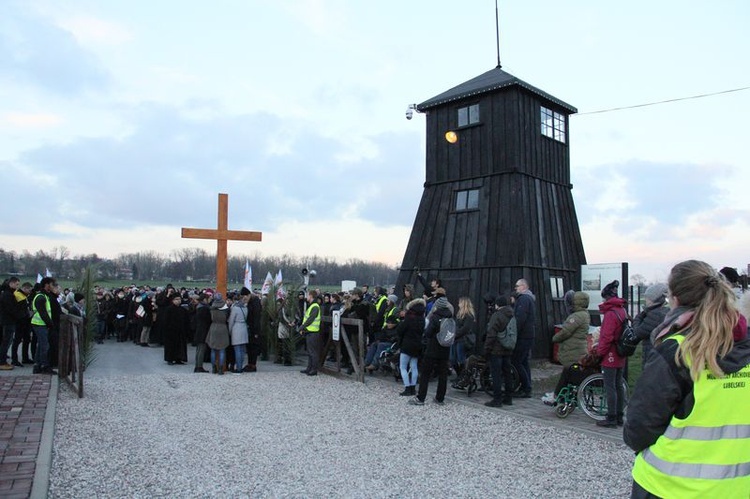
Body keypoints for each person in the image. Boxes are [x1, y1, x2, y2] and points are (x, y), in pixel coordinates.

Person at [624, 260, 750, 498]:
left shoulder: (678, 351)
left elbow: (639, 426)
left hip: (669, 485)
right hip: (737, 488)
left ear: (675, 299)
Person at [541, 291, 591, 405]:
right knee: (568, 373)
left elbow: (566, 331)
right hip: (578, 349)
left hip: (574, 350)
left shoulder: (576, 316)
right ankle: (562, 396)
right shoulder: (584, 314)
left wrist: (555, 338)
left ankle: (558, 396)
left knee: (568, 372)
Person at [410, 291, 453, 406]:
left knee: (425, 373)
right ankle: (440, 398)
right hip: (445, 349)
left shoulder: (435, 317)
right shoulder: (450, 317)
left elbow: (428, 333)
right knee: (443, 375)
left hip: (433, 348)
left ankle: (421, 398)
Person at [595, 279, 627, 428]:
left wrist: (599, 353)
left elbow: (606, 336)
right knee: (618, 384)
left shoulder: (610, 314)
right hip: (621, 352)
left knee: (610, 386)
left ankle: (611, 417)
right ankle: (620, 416)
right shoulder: (621, 310)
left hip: (611, 353)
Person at [483, 295, 515, 407]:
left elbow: (491, 334)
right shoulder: (511, 314)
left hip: (496, 350)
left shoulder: (496, 316)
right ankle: (508, 398)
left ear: (497, 304)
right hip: (508, 348)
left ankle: (497, 399)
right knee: (507, 374)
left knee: (496, 375)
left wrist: (486, 349)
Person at [632, 283, 668, 367]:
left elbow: (639, 332)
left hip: (652, 354)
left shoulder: (655, 314)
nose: (646, 301)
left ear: (654, 299)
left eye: (647, 299)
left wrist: (639, 316)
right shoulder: (664, 311)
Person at [512, 278, 536, 398]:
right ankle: (526, 386)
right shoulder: (529, 299)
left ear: (523, 287)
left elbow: (520, 318)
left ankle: (526, 387)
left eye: (517, 286)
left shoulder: (524, 299)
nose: (515, 288)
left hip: (523, 336)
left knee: (516, 361)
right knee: (524, 361)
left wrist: (513, 333)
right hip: (528, 335)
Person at [396, 297, 424, 396]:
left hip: (407, 343)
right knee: (414, 366)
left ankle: (407, 388)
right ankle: (413, 388)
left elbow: (400, 330)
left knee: (403, 367)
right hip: (417, 344)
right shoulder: (422, 318)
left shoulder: (409, 317)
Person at [30, 277, 57, 374]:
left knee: (41, 345)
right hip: (40, 324)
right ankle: (44, 366)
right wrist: (50, 324)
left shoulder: (44, 296)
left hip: (40, 324)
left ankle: (37, 365)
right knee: (45, 346)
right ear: (47, 284)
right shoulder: (41, 297)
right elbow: (43, 313)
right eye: (52, 284)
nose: (53, 286)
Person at [0, 277, 25, 370]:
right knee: (6, 342)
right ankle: (2, 362)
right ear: (11, 283)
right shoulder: (8, 295)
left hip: (8, 320)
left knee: (7, 341)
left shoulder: (8, 293)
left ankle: (3, 361)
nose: (17, 286)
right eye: (16, 284)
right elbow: (11, 309)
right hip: (8, 321)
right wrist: (19, 314)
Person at [451, 296, 476, 380]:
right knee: (452, 358)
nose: (458, 304)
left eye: (460, 302)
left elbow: (465, 328)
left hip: (462, 339)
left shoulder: (469, 316)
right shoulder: (459, 314)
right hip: (456, 338)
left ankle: (462, 376)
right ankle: (460, 375)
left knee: (461, 358)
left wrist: (455, 334)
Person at [298, 289, 321, 376]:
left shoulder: (315, 306)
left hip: (313, 332)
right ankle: (309, 368)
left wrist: (302, 327)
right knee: (310, 351)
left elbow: (310, 319)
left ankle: (314, 369)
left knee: (313, 352)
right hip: (309, 331)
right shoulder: (312, 305)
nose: (306, 297)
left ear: (311, 296)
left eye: (307, 295)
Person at [161, 293, 189, 365]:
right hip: (171, 331)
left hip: (180, 331)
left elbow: (186, 320)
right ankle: (170, 359)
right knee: (170, 346)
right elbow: (165, 321)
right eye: (176, 299)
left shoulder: (183, 310)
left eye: (179, 299)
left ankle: (178, 358)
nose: (178, 301)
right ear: (173, 300)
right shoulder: (168, 309)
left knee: (180, 346)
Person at [206, 294, 230, 374]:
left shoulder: (212, 307)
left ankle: (213, 368)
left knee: (213, 349)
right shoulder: (225, 308)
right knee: (222, 350)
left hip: (213, 327)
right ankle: (220, 368)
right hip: (222, 327)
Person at [228, 288, 250, 374]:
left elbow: (231, 320)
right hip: (244, 328)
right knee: (242, 350)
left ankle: (238, 368)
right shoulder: (245, 308)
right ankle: (240, 366)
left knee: (237, 349)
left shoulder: (235, 308)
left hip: (236, 328)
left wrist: (229, 331)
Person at [192, 293, 211, 373]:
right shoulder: (205, 308)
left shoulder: (199, 307)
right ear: (204, 299)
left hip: (199, 330)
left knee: (199, 349)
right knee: (201, 349)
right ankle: (199, 366)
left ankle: (197, 365)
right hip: (203, 331)